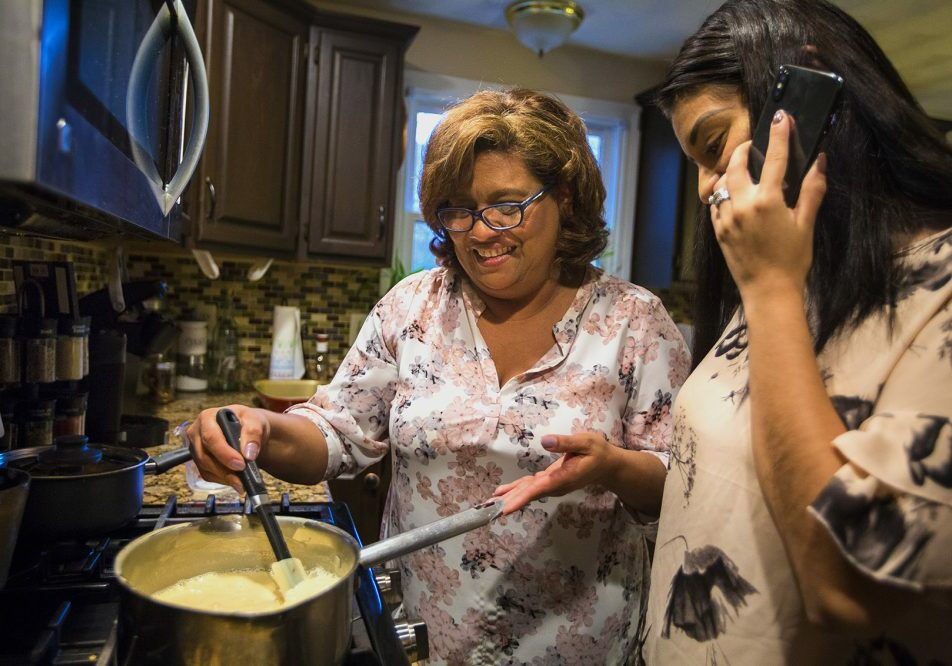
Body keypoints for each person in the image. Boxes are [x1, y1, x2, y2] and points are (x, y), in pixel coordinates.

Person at [497, 0, 952, 662]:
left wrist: (770, 289)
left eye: (714, 146)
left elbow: (845, 588)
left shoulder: (910, 290)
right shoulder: (795, 276)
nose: (709, 187)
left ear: (811, 95)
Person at [185, 88, 690, 664]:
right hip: (426, 636)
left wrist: (614, 467)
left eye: (506, 206)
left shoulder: (634, 321)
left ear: (566, 198)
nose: (479, 232)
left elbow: (681, 486)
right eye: (458, 209)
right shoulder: (413, 307)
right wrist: (264, 431)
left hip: (577, 642)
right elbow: (337, 431)